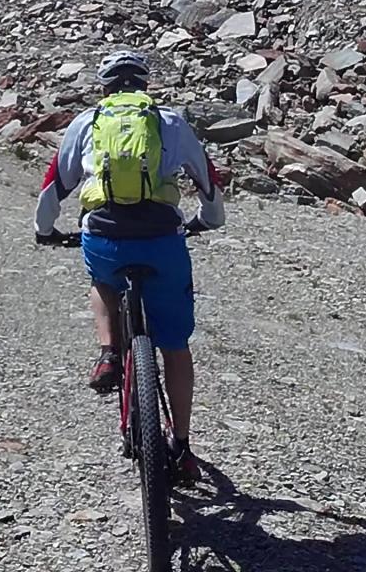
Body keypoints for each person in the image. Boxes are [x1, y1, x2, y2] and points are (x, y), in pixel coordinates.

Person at [34, 48, 225, 483]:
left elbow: (55, 184)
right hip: (162, 239)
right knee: (175, 345)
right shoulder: (169, 121)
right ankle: (182, 446)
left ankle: (108, 353)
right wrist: (209, 220)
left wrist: (45, 230)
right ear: (144, 85)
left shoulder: (88, 122)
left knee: (102, 280)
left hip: (105, 236)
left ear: (104, 88)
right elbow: (207, 181)